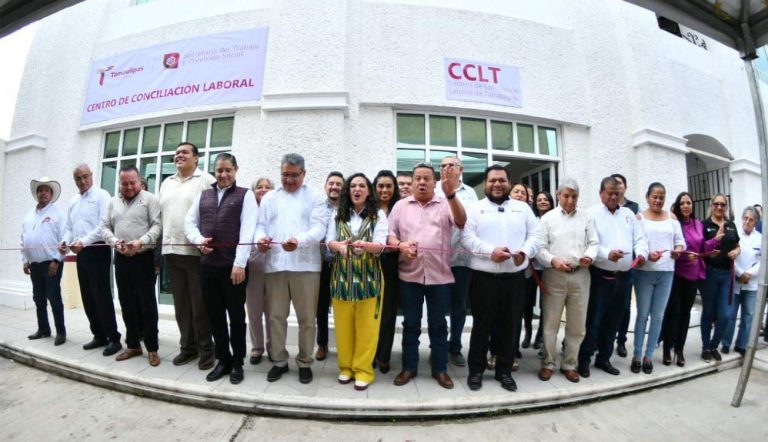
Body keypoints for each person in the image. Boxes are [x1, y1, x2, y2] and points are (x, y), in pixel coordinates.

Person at [387, 161, 466, 389]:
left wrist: (451, 195)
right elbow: (390, 235)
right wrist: (401, 245)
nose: (422, 182)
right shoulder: (400, 206)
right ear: (412, 182)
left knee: (438, 325)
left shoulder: (445, 203)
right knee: (410, 324)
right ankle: (409, 367)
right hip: (409, 276)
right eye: (418, 178)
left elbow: (461, 221)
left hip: (440, 277)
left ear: (434, 182)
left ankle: (440, 369)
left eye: (427, 178)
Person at [461, 165, 540, 391]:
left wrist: (525, 251)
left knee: (510, 327)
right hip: (483, 279)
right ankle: (476, 370)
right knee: (481, 326)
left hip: (514, 279)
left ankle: (504, 371)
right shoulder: (475, 209)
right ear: (485, 184)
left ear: (509, 183)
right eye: (492, 180)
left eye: (502, 180)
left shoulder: (522, 208)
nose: (497, 184)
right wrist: (490, 252)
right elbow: (467, 238)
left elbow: (536, 235)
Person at [256, 153, 330, 384]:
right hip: (275, 265)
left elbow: (320, 228)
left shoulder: (316, 196)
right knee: (276, 317)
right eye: (285, 174)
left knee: (307, 318)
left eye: (294, 175)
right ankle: (279, 360)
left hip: (306, 266)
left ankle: (305, 361)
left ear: (304, 174)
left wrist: (299, 240)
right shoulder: (269, 198)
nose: (289, 180)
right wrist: (260, 239)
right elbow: (260, 225)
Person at [185, 153, 256, 384]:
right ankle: (223, 360)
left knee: (236, 317)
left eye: (228, 170)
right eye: (219, 170)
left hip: (233, 268)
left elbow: (248, 231)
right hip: (208, 268)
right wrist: (199, 241)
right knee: (215, 316)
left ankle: (237, 362)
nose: (223, 174)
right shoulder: (203, 195)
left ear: (236, 170)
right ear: (214, 172)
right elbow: (189, 223)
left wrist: (240, 264)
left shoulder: (245, 195)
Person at [577, 176, 647, 378]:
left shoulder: (628, 214)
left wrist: (641, 254)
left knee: (614, 320)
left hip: (624, 276)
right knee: (594, 320)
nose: (614, 197)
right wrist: (607, 254)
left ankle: (604, 358)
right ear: (601, 193)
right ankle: (584, 359)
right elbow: (589, 244)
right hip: (600, 276)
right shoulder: (591, 214)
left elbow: (640, 239)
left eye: (617, 193)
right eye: (610, 193)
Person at [326, 173, 388, 390]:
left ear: (368, 191)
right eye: (353, 186)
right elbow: (329, 241)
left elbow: (381, 245)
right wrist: (338, 246)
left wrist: (367, 246)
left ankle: (363, 370)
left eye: (362, 186)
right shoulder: (338, 213)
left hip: (369, 279)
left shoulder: (378, 215)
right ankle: (346, 367)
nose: (357, 189)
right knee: (343, 327)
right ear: (348, 190)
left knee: (367, 328)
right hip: (341, 278)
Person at [158, 142, 217, 370]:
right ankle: (188, 348)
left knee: (200, 306)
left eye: (184, 152)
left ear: (196, 158)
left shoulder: (206, 180)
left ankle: (207, 350)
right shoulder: (167, 182)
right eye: (177, 153)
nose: (179, 155)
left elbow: (214, 213)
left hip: (196, 254)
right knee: (181, 306)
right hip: (171, 252)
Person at [535, 178, 598, 383]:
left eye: (574, 196)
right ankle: (548, 363)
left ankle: (570, 364)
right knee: (550, 322)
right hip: (554, 275)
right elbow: (540, 248)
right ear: (558, 194)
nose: (570, 200)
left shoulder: (586, 217)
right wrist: (553, 260)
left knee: (577, 324)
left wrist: (589, 256)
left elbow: (594, 242)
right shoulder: (548, 219)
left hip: (580, 274)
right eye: (566, 196)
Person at [101, 165, 162, 366]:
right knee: (126, 304)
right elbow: (104, 227)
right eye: (124, 183)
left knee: (147, 305)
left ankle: (152, 348)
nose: (128, 187)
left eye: (132, 183)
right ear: (119, 183)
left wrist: (141, 242)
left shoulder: (150, 199)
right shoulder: (112, 202)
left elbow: (157, 226)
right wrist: (114, 242)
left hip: (143, 258)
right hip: (121, 259)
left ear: (139, 181)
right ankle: (133, 345)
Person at [60, 164, 121, 356]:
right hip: (81, 253)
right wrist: (65, 242)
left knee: (101, 295)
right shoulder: (73, 200)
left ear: (92, 175)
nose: (82, 181)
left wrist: (83, 242)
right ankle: (99, 335)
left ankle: (114, 338)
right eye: (78, 178)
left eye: (85, 176)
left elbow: (103, 226)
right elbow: (69, 227)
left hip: (97, 249)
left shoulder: (102, 195)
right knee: (87, 296)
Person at [660, 192, 721, 367]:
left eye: (688, 203)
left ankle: (679, 350)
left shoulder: (698, 224)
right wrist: (685, 256)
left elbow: (701, 247)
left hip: (693, 275)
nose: (686, 206)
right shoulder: (674, 224)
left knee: (685, 314)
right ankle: (667, 349)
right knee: (673, 313)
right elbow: (670, 248)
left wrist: (713, 243)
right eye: (682, 203)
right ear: (678, 206)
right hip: (677, 273)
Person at [631, 183, 685, 374]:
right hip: (644, 272)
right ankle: (637, 354)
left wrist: (678, 250)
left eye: (661, 197)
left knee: (658, 317)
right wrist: (646, 256)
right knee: (643, 315)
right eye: (654, 196)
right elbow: (635, 244)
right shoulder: (639, 218)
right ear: (647, 197)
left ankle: (648, 356)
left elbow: (680, 242)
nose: (658, 200)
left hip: (666, 272)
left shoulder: (672, 218)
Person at [435, 156, 478, 367]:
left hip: (462, 258)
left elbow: (473, 222)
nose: (446, 168)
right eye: (442, 165)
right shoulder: (434, 189)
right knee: (438, 306)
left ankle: (455, 347)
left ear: (461, 169)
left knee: (459, 307)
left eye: (451, 165)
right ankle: (438, 346)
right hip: (437, 258)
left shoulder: (470, 193)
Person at [22, 177, 66, 345]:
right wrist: (25, 260)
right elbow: (23, 238)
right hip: (34, 264)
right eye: (40, 190)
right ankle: (43, 329)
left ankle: (60, 332)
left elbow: (64, 239)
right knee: (38, 298)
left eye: (46, 190)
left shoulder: (57, 214)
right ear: (37, 194)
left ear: (51, 194)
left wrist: (57, 260)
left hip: (51, 264)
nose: (43, 193)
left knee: (54, 298)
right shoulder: (29, 215)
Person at [700, 194, 740, 362]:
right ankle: (705, 347)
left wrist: (736, 251)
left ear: (726, 207)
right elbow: (700, 248)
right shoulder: (704, 225)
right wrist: (711, 248)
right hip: (709, 273)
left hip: (726, 275)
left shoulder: (731, 225)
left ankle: (714, 345)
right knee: (708, 312)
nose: (719, 207)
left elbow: (737, 245)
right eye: (716, 204)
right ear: (711, 206)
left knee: (725, 315)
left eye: (722, 204)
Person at [721, 206, 761, 356]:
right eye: (745, 218)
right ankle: (726, 343)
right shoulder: (735, 234)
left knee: (748, 316)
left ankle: (741, 345)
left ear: (756, 222)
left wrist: (749, 273)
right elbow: (731, 256)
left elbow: (763, 260)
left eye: (751, 219)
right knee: (730, 315)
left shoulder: (761, 238)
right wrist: (740, 273)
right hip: (736, 280)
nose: (747, 222)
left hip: (751, 282)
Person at [372, 170, 401, 373]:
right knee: (371, 312)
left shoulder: (401, 208)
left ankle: (384, 356)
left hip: (393, 264)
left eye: (389, 186)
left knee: (388, 312)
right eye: (380, 186)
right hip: (371, 262)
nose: (384, 190)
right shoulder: (369, 208)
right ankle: (370, 353)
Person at [315, 171, 344, 362]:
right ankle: (322, 344)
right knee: (321, 306)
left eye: (338, 184)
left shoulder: (348, 208)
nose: (334, 187)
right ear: (325, 186)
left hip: (343, 264)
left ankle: (344, 344)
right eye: (331, 183)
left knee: (343, 306)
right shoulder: (317, 207)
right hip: (322, 264)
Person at [245, 177, 274, 365]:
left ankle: (273, 348)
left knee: (273, 313)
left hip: (273, 268)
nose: (263, 190)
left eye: (267, 187)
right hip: (253, 267)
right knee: (254, 312)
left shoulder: (276, 210)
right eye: (259, 187)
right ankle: (257, 348)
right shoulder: (248, 211)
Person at [611, 173, 639, 359]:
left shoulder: (633, 208)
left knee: (625, 306)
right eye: (614, 184)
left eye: (620, 184)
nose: (617, 187)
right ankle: (605, 338)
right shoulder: (605, 207)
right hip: (609, 265)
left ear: (625, 187)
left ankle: (621, 340)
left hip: (628, 266)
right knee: (608, 304)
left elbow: (638, 234)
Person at [528, 190, 555, 351]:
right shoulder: (533, 220)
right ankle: (528, 333)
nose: (542, 202)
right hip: (533, 268)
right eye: (539, 200)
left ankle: (541, 336)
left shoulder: (555, 220)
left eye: (546, 199)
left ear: (551, 202)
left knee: (546, 305)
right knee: (528, 303)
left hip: (550, 268)